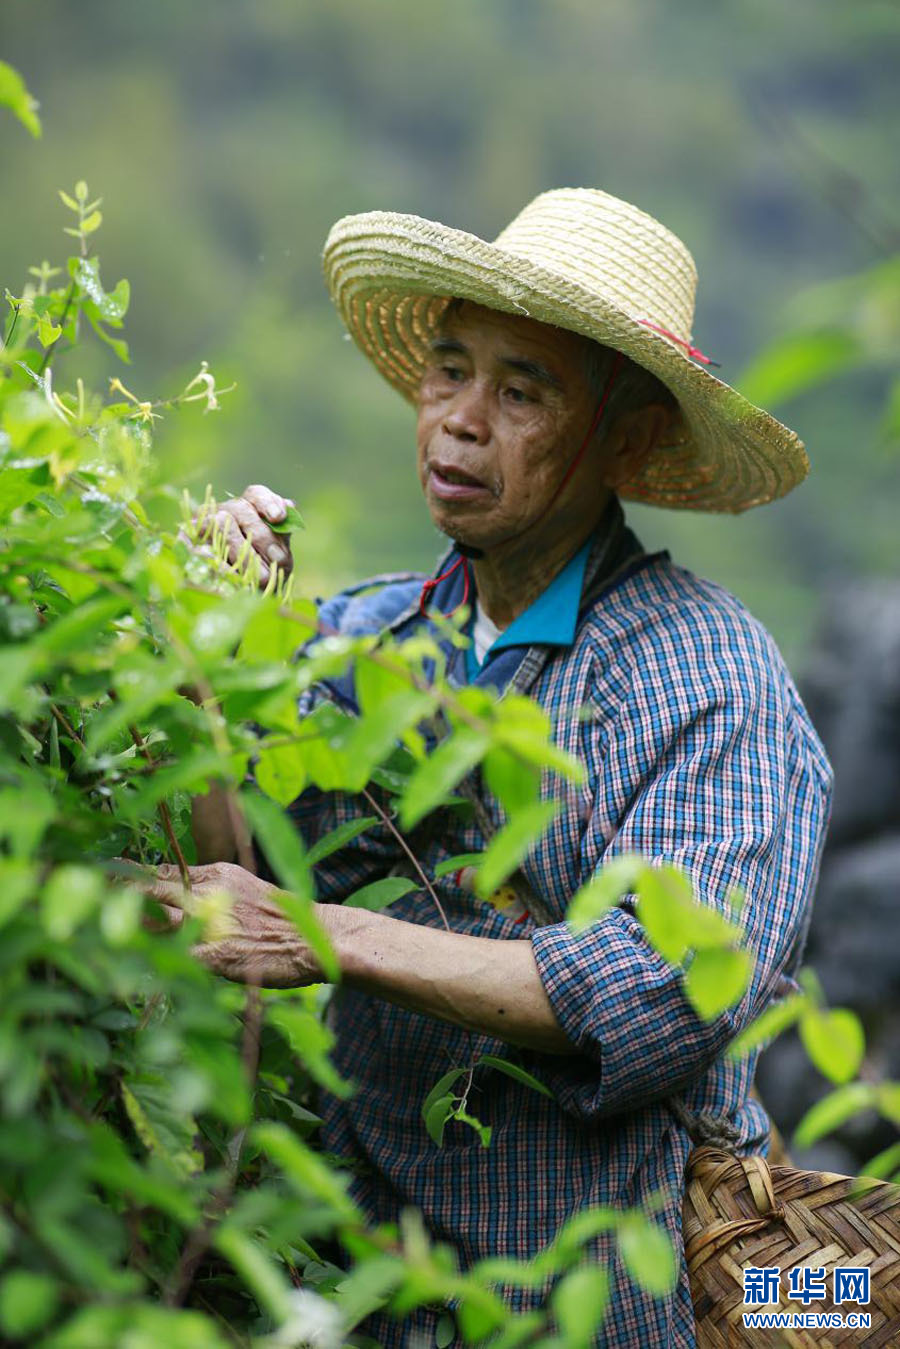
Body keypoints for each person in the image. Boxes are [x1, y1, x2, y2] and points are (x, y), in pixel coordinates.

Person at [151, 189, 832, 1346]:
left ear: (622, 435)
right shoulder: (365, 642)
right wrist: (205, 658)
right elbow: (237, 885)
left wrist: (327, 935)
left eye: (523, 391)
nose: (461, 421)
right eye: (449, 370)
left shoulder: (705, 671)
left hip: (609, 1306)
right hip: (359, 1291)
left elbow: (666, 985)